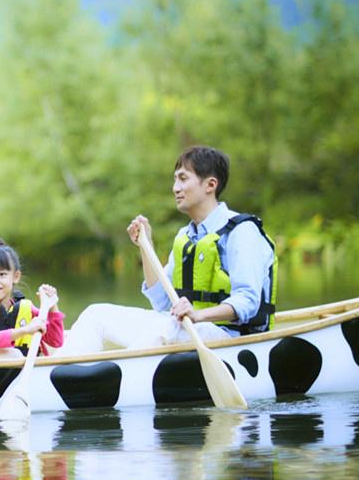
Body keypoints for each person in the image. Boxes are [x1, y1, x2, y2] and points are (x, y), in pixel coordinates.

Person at [62, 145, 275, 354]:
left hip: (230, 336)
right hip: (186, 329)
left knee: (163, 328)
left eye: (183, 179)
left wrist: (199, 315)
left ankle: (121, 379)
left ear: (210, 185)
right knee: (97, 314)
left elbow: (248, 301)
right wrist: (145, 246)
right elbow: (162, 301)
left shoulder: (242, 231)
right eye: (175, 180)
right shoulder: (186, 236)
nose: (175, 188)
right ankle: (63, 373)